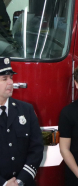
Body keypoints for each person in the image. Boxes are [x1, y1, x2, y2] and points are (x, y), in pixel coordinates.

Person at [0, 57, 43, 186]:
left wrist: (20, 181)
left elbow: (36, 149)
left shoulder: (26, 109)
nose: (10, 83)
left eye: (11, 78)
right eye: (4, 79)